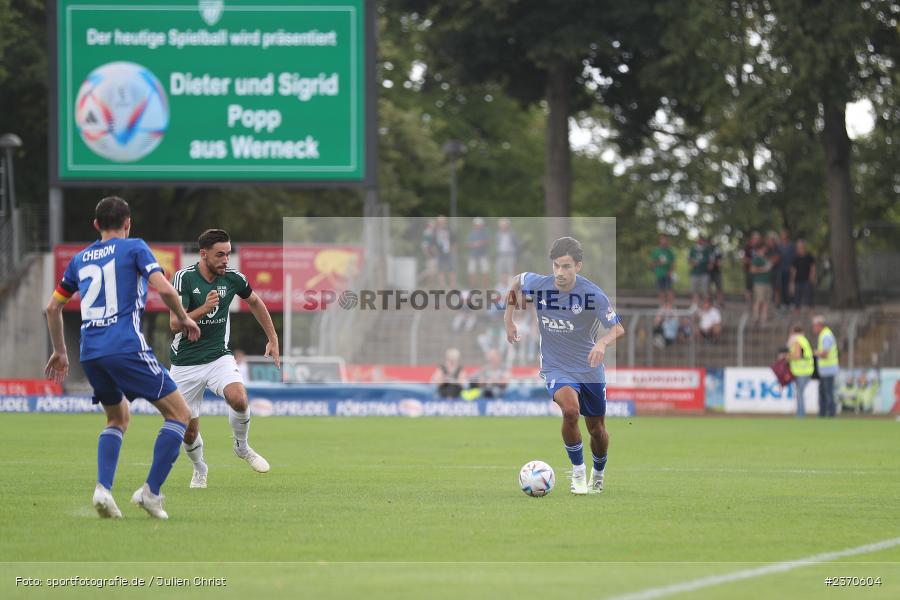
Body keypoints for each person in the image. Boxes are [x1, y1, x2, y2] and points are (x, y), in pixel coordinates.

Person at [44, 196, 201, 520]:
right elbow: (166, 290)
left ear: (96, 225)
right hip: (125, 347)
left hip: (90, 352)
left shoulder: (79, 259)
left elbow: (52, 307)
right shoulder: (135, 247)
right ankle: (151, 494)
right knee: (180, 415)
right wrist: (184, 317)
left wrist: (61, 351)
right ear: (127, 223)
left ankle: (103, 490)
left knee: (117, 418)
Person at [504, 237, 624, 495]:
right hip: (556, 366)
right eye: (557, 266)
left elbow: (618, 328)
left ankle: (598, 473)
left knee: (597, 430)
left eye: (566, 266)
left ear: (578, 266)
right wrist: (509, 320)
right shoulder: (540, 284)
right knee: (570, 411)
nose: (560, 272)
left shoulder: (592, 295)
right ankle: (578, 473)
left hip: (589, 369)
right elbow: (516, 281)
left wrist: (602, 343)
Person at [169, 229, 280, 489]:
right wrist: (204, 309)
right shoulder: (184, 278)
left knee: (239, 398)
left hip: (219, 356)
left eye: (228, 254)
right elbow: (175, 324)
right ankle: (199, 468)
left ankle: (242, 447)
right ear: (203, 254)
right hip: (185, 363)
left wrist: (273, 338)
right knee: (188, 429)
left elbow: (255, 302)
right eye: (220, 255)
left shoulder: (232, 278)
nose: (225, 260)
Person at [812, 315, 839, 417]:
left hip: (828, 369)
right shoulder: (824, 334)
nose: (813, 328)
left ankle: (831, 414)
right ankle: (823, 414)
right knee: (823, 393)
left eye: (814, 326)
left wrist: (815, 352)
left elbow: (825, 353)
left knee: (827, 393)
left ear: (819, 325)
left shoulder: (826, 336)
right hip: (825, 370)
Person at [787, 324, 814, 417]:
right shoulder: (804, 340)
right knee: (800, 392)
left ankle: (800, 414)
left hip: (802, 371)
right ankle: (800, 413)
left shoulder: (797, 341)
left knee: (799, 393)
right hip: (807, 370)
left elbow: (797, 356)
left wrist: (787, 357)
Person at [790, 239, 816, 311]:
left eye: (801, 246)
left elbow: (813, 268)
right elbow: (793, 271)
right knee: (797, 300)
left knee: (810, 299)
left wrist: (812, 278)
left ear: (804, 247)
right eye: (798, 247)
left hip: (807, 281)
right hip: (798, 281)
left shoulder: (809, 257)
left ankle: (812, 315)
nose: (799, 248)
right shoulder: (795, 258)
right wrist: (792, 282)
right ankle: (796, 315)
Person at [649, 234, 675, 306]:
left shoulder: (670, 251)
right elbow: (651, 263)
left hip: (668, 274)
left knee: (669, 290)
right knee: (661, 291)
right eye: (662, 239)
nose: (664, 241)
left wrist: (671, 271)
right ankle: (662, 306)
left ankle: (670, 306)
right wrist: (658, 263)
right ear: (660, 240)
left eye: (665, 240)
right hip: (659, 273)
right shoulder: (656, 250)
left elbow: (673, 263)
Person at [750, 243, 772, 325]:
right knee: (759, 301)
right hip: (759, 283)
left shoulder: (766, 258)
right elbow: (752, 270)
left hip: (767, 282)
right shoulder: (756, 259)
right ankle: (756, 317)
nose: (765, 251)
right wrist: (764, 269)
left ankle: (764, 319)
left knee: (766, 302)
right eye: (763, 249)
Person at [466, 217, 490, 289]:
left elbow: (488, 241)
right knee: (472, 272)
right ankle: (472, 287)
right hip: (473, 255)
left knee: (485, 271)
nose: (478, 226)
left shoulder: (484, 233)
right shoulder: (472, 234)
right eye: (477, 224)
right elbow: (467, 244)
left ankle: (485, 287)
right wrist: (473, 244)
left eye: (479, 224)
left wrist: (480, 243)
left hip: (483, 255)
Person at [688, 236, 710, 311]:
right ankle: (695, 305)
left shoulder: (706, 249)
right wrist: (693, 262)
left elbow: (709, 260)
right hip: (695, 273)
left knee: (705, 290)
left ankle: (706, 306)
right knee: (694, 290)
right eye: (698, 240)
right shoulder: (692, 249)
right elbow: (689, 259)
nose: (700, 241)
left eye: (701, 240)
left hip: (704, 273)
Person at [495, 218, 519, 283]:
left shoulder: (512, 234)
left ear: (507, 225)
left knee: (510, 271)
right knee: (500, 271)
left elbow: (516, 244)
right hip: (501, 254)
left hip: (510, 254)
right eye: (502, 225)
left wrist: (516, 254)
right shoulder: (498, 234)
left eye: (505, 225)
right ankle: (501, 286)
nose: (503, 226)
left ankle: (511, 285)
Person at [776, 228, 795, 308]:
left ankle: (791, 302)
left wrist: (792, 267)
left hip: (789, 268)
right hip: (780, 269)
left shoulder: (791, 245)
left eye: (784, 234)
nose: (783, 236)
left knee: (790, 286)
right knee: (782, 286)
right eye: (782, 234)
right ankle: (783, 303)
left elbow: (794, 257)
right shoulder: (778, 246)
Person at [741, 230, 762, 303]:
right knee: (749, 287)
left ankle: (756, 301)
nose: (756, 240)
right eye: (755, 238)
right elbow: (744, 259)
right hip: (749, 270)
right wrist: (753, 262)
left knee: (757, 286)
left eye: (758, 239)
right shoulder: (747, 247)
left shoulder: (760, 247)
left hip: (759, 271)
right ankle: (748, 301)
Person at [707, 238, 725, 307]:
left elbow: (720, 260)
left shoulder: (716, 249)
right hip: (708, 272)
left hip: (717, 271)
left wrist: (714, 263)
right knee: (709, 288)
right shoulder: (706, 250)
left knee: (719, 288)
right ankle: (710, 302)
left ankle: (720, 302)